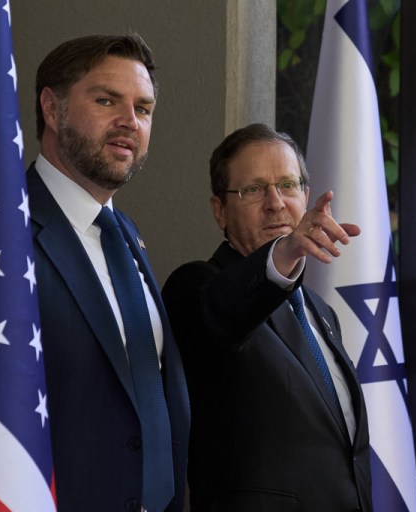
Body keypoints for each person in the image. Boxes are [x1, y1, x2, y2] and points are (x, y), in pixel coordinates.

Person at [162, 123, 371, 511]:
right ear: (219, 210)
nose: (275, 203)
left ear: (306, 196)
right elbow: (220, 318)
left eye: (288, 186)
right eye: (253, 190)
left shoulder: (320, 311)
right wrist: (284, 252)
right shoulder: (196, 286)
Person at [26, 33, 189, 512]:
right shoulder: (1, 232)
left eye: (144, 109)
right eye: (106, 100)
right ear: (52, 110)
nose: (129, 123)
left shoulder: (126, 236)